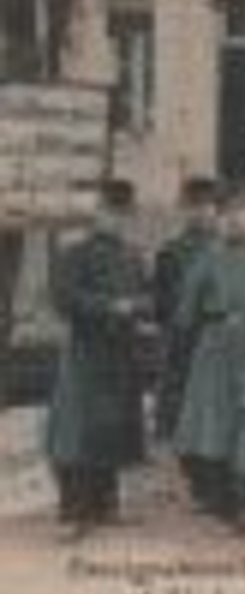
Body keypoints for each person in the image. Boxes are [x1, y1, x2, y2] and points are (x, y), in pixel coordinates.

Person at [45, 179, 151, 542]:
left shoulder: (133, 255)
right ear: (97, 211)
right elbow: (63, 299)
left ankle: (107, 506)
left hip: (120, 353)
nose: (116, 220)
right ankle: (76, 511)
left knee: (114, 428)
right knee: (77, 431)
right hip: (85, 351)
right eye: (109, 212)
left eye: (123, 214)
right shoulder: (75, 252)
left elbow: (147, 296)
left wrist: (138, 307)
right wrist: (108, 305)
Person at [172, 184, 245, 527]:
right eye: (229, 216)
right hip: (215, 349)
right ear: (219, 220)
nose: (236, 222)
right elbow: (184, 313)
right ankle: (220, 499)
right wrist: (215, 321)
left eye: (243, 215)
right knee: (214, 423)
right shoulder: (207, 259)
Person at [154, 176, 219, 446]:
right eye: (194, 206)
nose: (200, 212)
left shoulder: (228, 249)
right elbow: (163, 302)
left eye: (206, 205)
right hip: (184, 340)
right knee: (177, 405)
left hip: (221, 341)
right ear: (184, 209)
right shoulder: (171, 252)